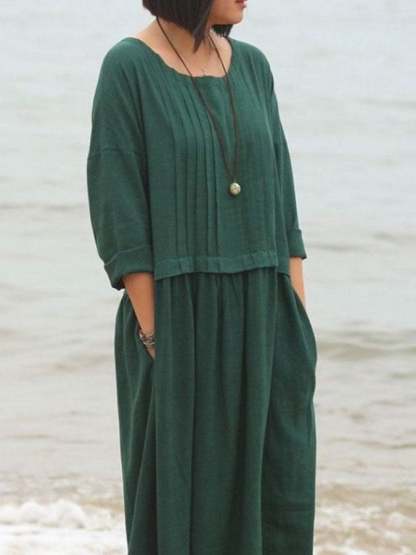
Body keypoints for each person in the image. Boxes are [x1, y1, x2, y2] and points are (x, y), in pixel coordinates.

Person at [86, 1, 318, 553]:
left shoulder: (254, 66)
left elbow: (284, 211)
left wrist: (296, 330)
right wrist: (156, 336)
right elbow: (121, 215)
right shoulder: (127, 67)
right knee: (184, 509)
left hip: (267, 317)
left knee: (277, 500)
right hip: (175, 320)